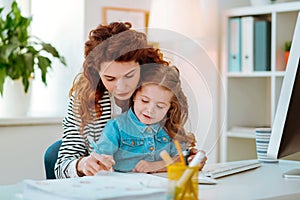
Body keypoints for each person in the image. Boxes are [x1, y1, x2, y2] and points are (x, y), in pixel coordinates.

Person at [54, 22, 170, 178]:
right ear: (97, 74)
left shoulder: (159, 94)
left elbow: (177, 151)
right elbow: (62, 166)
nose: (121, 87)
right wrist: (82, 164)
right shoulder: (83, 99)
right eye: (110, 78)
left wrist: (188, 159)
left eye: (129, 76)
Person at [95, 64, 196, 173]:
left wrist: (156, 166)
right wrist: (104, 161)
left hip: (162, 186)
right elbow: (99, 160)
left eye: (160, 106)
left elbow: (183, 160)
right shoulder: (116, 127)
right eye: (145, 101)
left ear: (170, 107)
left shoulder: (170, 128)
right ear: (134, 95)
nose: (150, 110)